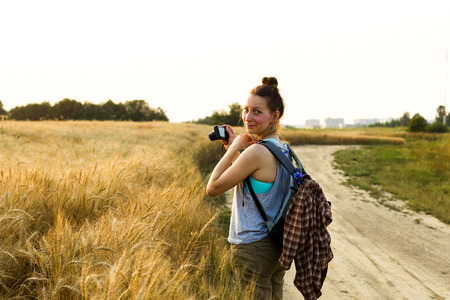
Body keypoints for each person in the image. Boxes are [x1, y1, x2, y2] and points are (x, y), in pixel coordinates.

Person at [206, 77, 291, 300]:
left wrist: (234, 147)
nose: (247, 117)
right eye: (245, 110)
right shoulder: (284, 149)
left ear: (275, 115)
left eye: (257, 111)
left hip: (253, 246)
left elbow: (213, 187)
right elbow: (254, 181)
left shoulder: (257, 152)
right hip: (277, 244)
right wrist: (232, 149)